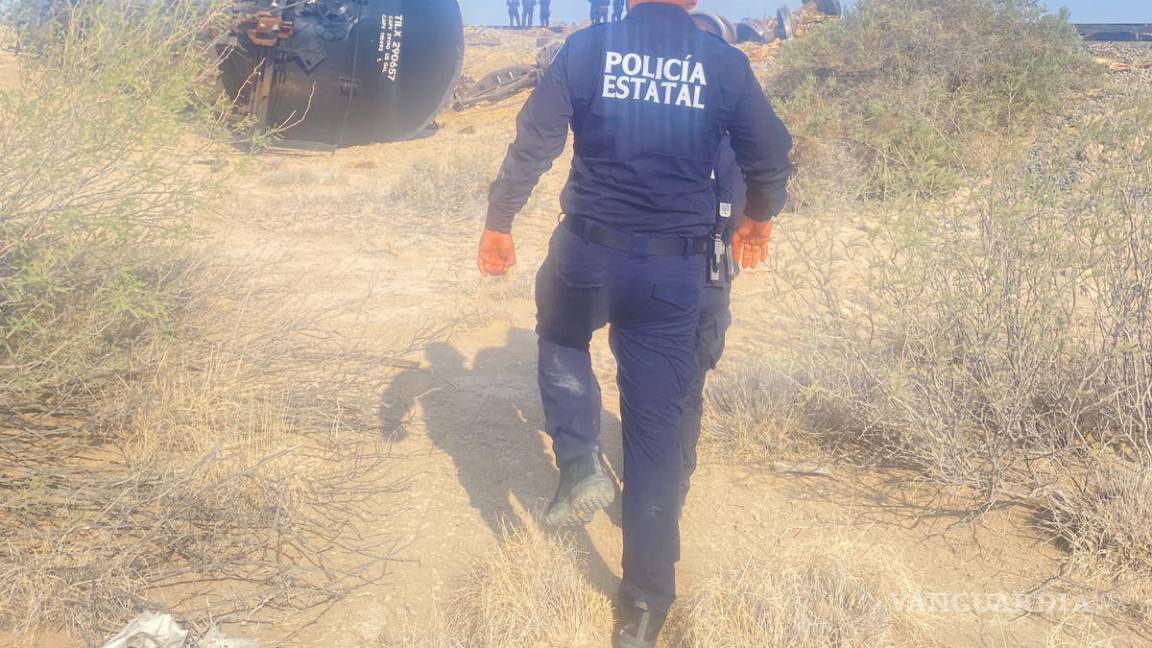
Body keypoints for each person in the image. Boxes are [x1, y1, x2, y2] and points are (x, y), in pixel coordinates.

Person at [476, 1, 793, 646]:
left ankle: (579, 457)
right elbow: (771, 157)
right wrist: (760, 215)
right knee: (654, 440)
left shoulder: (589, 49)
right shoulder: (724, 64)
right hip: (672, 275)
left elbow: (534, 141)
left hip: (587, 254)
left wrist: (500, 219)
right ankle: (644, 608)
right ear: (696, 2)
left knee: (562, 336)